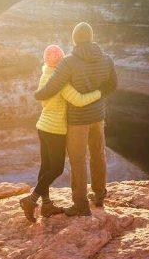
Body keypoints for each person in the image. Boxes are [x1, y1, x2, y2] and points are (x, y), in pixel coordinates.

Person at [34, 22, 117, 217]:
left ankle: (80, 204)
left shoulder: (69, 62)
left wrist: (38, 94)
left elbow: (51, 89)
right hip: (98, 116)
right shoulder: (106, 60)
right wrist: (100, 92)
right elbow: (113, 86)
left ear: (74, 39)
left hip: (77, 120)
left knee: (78, 160)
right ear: (91, 37)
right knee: (98, 154)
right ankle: (99, 195)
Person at [19, 44, 102, 223]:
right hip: (55, 130)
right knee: (56, 169)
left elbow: (43, 103)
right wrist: (98, 93)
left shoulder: (45, 74)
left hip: (43, 126)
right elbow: (79, 100)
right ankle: (31, 200)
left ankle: (47, 205)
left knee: (45, 167)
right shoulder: (60, 81)